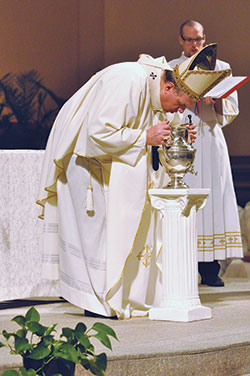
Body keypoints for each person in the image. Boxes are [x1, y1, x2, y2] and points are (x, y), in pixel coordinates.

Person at [37, 46, 230, 319]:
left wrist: (176, 135)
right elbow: (97, 132)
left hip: (112, 163)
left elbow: (151, 131)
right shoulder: (126, 80)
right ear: (169, 87)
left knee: (120, 228)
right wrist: (145, 137)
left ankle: (123, 299)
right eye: (182, 104)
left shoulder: (155, 91)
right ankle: (98, 302)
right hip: (84, 161)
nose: (180, 110)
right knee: (98, 234)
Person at [169, 20, 243, 286]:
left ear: (205, 38)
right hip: (183, 137)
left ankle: (211, 269)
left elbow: (231, 109)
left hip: (210, 138)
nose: (194, 45)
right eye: (189, 40)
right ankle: (184, 266)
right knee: (186, 201)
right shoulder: (172, 69)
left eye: (198, 39)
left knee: (213, 199)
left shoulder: (221, 68)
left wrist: (219, 98)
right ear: (180, 40)